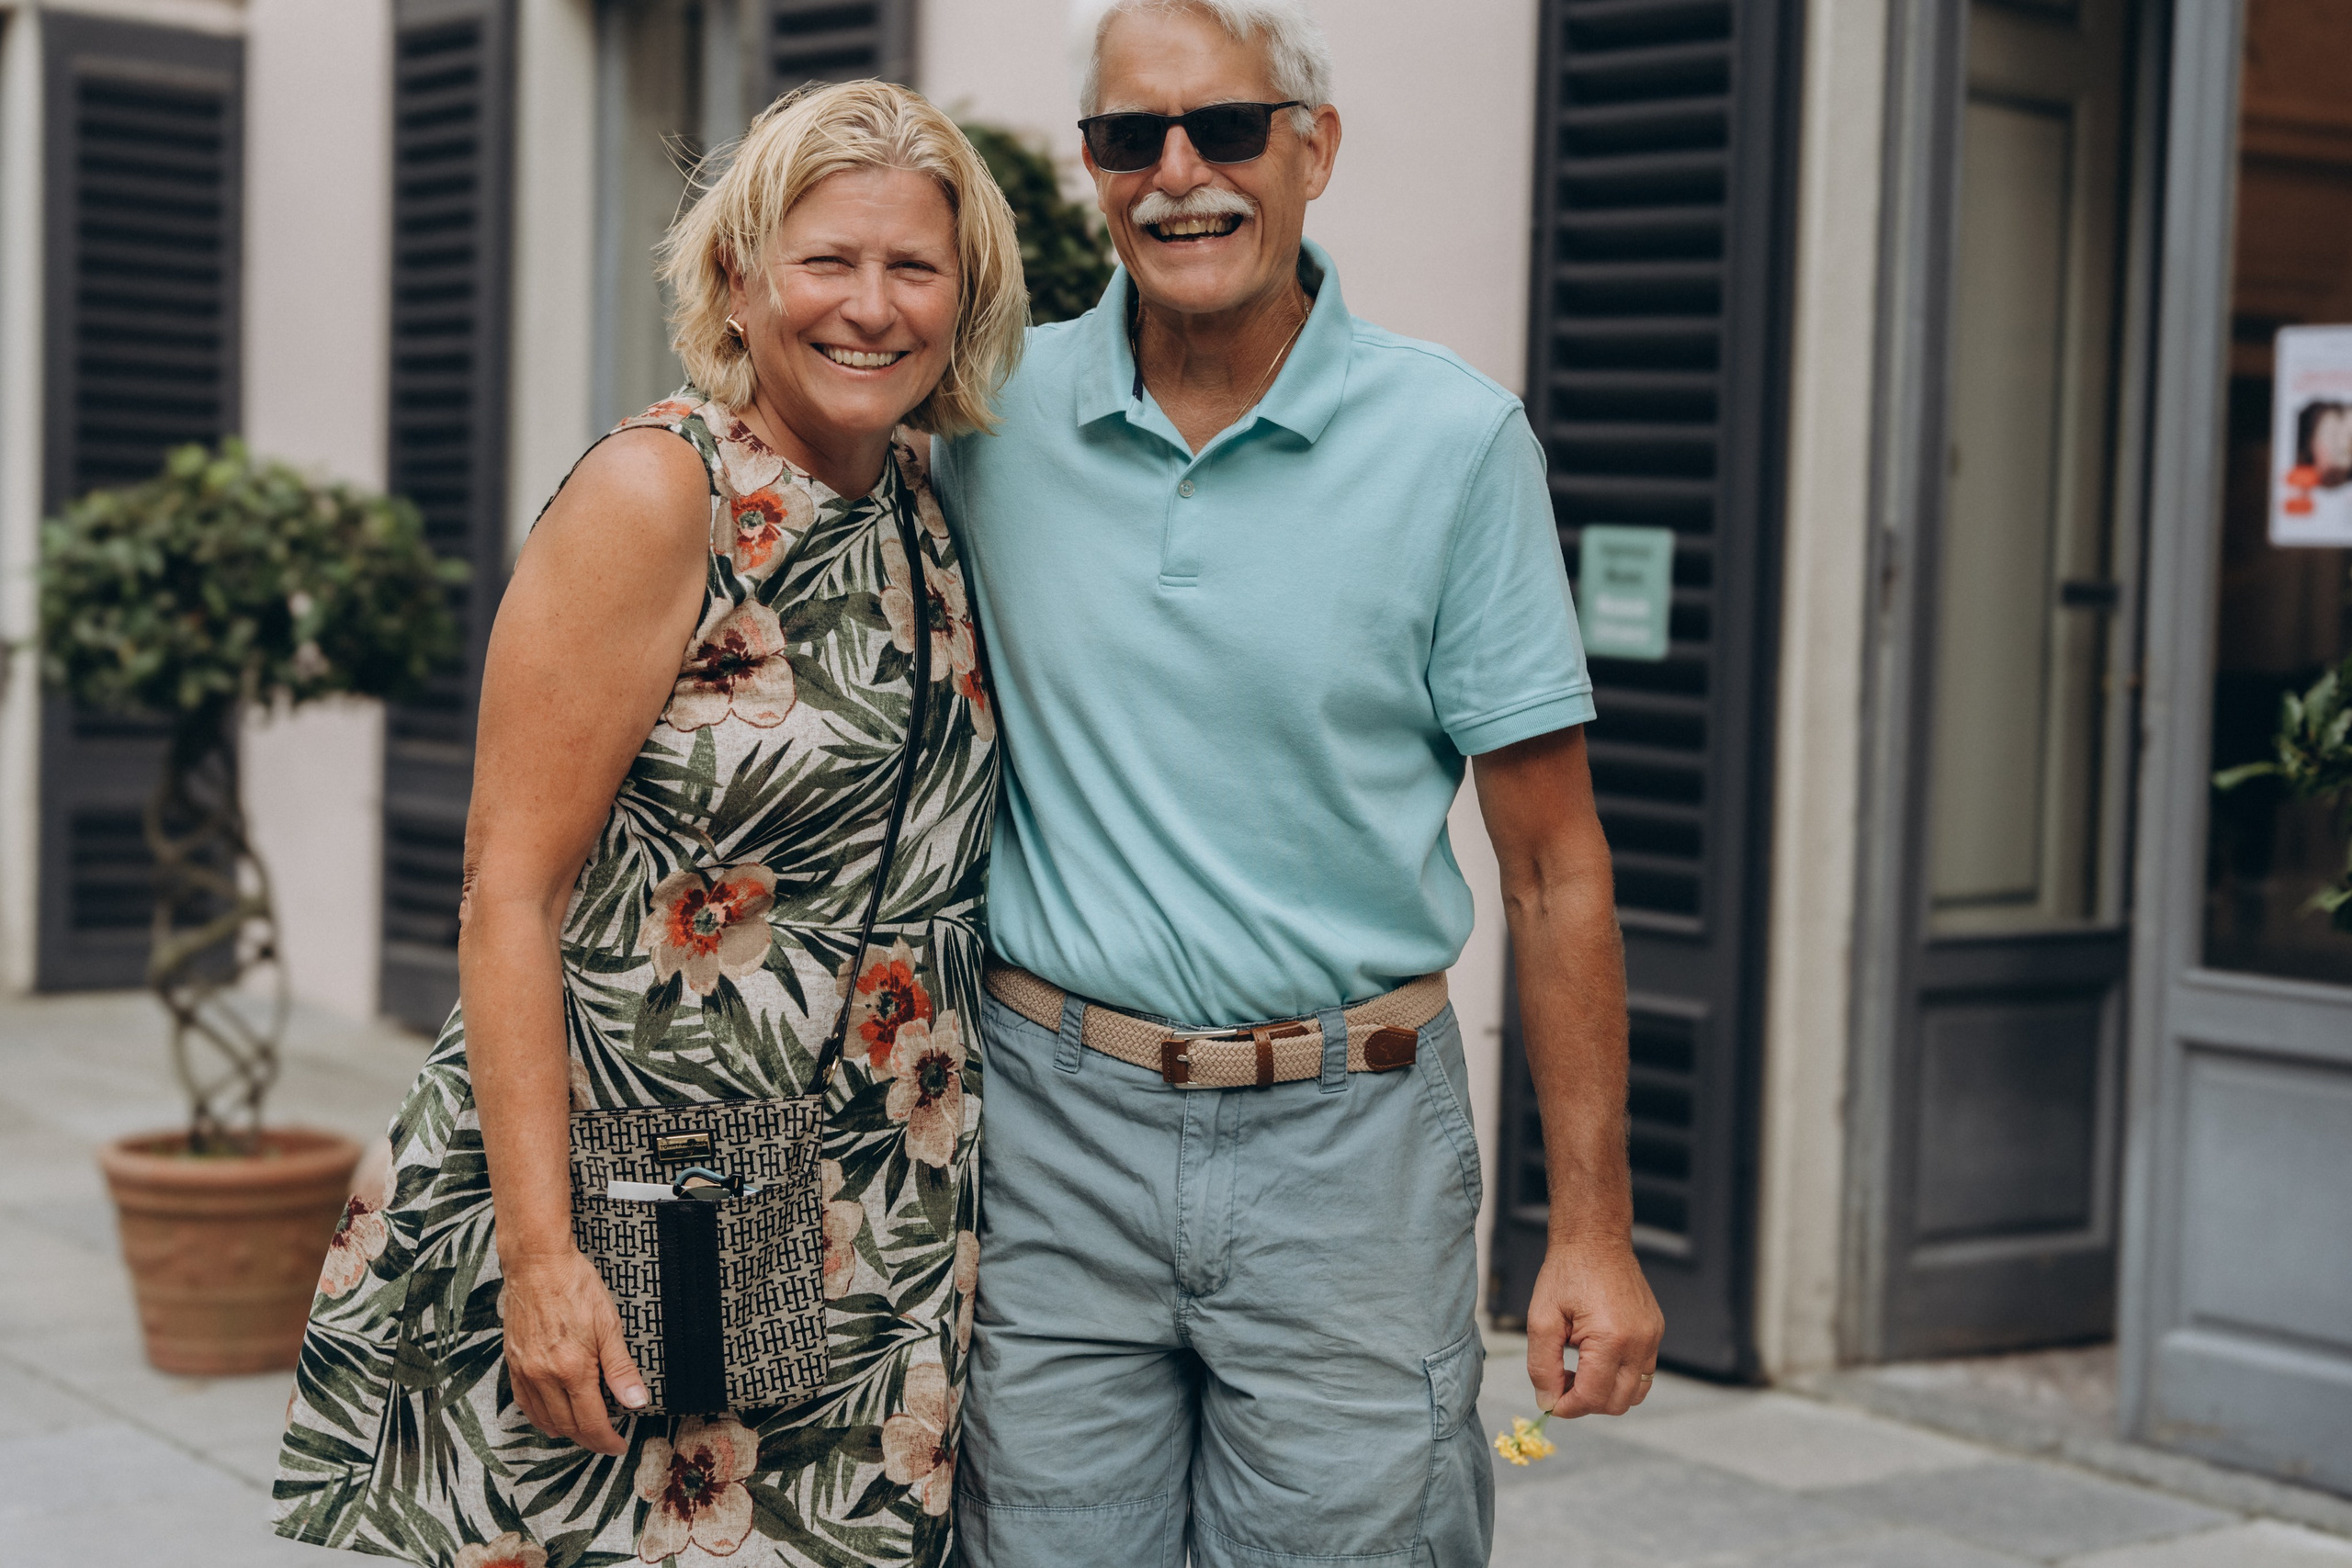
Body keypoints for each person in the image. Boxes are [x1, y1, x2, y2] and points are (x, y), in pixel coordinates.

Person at [931, 2, 1667, 1563]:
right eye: (1132, 138)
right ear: (1090, 170)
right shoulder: (986, 417)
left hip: (1354, 1147)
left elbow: (1554, 867)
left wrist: (1592, 1228)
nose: (1179, 173)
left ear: (1314, 148)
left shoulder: (1456, 444)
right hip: (1054, 1129)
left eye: (1228, 129)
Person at [272, 81, 1023, 1568]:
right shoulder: (656, 491)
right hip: (649, 1192)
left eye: (914, 268)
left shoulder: (923, 503)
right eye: (826, 261)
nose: (870, 307)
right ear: (737, 281)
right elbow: (508, 892)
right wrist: (542, 1261)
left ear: (966, 299)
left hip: (871, 1199)